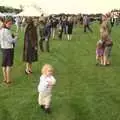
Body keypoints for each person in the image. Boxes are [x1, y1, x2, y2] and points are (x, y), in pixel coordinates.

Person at [0, 19, 17, 84]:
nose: (10, 25)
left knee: (4, 64)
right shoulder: (6, 31)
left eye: (11, 24)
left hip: (3, 48)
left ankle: (5, 79)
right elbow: (11, 41)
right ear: (5, 23)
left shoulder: (1, 30)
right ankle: (8, 80)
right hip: (8, 49)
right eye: (9, 24)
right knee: (8, 65)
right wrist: (15, 37)